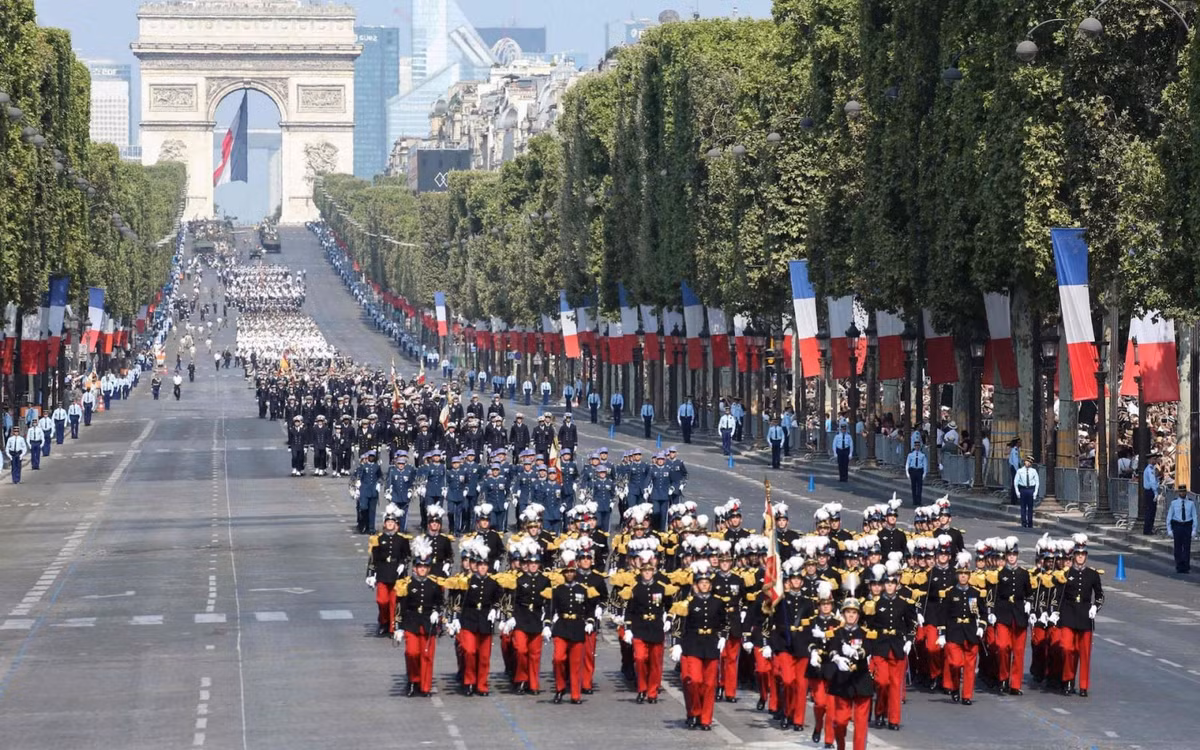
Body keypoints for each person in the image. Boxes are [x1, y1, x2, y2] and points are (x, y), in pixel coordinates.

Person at [672, 559, 728, 731]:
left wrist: (723, 636)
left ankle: (705, 719)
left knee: (709, 685)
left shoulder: (718, 602)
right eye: (701, 582)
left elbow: (724, 622)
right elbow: (680, 625)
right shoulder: (688, 602)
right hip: (693, 645)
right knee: (694, 681)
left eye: (707, 583)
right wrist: (677, 644)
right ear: (696, 585)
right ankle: (693, 712)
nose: (704, 585)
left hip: (711, 645)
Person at [547, 546, 600, 705]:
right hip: (562, 626)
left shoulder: (583, 590)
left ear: (575, 573)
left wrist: (590, 620)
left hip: (577, 626)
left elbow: (591, 608)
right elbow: (551, 608)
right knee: (558, 659)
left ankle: (575, 694)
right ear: (563, 574)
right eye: (566, 572)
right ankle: (560, 688)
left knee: (576, 663)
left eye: (571, 572)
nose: (569, 574)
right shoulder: (558, 590)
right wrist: (547, 625)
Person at [450, 537, 503, 696]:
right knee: (469, 651)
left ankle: (482, 684)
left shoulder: (493, 583)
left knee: (484, 656)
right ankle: (469, 682)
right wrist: (455, 618)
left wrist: (495, 609)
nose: (482, 568)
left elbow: (499, 597)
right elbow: (458, 600)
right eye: (479, 565)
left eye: (485, 565)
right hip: (469, 619)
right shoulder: (467, 580)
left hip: (485, 621)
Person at [393, 537, 444, 698]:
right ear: (414, 568)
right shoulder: (407, 584)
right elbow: (400, 606)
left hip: (428, 623)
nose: (422, 569)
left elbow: (440, 602)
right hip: (411, 623)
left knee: (427, 656)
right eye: (419, 566)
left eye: (425, 566)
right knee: (412, 653)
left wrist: (437, 612)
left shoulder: (434, 584)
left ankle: (425, 686)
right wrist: (398, 627)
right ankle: (413, 680)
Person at [1055, 534, 1104, 697]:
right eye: (1078, 554)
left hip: (1085, 615)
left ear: (1086, 556)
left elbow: (1100, 595)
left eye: (1083, 554)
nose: (1080, 557)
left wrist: (1095, 607)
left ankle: (1083, 685)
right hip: (1068, 614)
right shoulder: (1066, 573)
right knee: (1067, 648)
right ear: (1074, 555)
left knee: (1085, 652)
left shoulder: (1092, 574)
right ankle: (1068, 679)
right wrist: (1056, 613)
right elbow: (1059, 596)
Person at [826, 596, 874, 750]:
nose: (851, 615)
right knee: (840, 721)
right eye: (848, 612)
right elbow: (831, 649)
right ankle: (840, 745)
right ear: (843, 614)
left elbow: (868, 649)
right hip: (843, 682)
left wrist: (855, 653)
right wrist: (837, 658)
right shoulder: (836, 633)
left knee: (861, 725)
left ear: (858, 615)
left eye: (854, 612)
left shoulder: (866, 633)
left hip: (861, 680)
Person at [990, 537, 1032, 696]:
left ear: (1018, 555)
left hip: (1019, 615)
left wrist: (1029, 603)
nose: (1012, 557)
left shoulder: (1024, 573)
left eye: (1014, 554)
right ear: (1006, 556)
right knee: (1002, 647)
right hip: (1003, 613)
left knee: (1019, 651)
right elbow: (993, 595)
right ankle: (1002, 678)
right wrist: (992, 612)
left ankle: (1015, 684)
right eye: (1009, 554)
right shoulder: (1000, 574)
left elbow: (1029, 593)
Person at [366, 505, 410, 637]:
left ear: (396, 524)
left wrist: (403, 563)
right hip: (383, 572)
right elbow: (373, 558)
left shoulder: (402, 539)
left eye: (392, 522)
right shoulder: (378, 539)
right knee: (382, 601)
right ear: (384, 524)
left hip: (397, 574)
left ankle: (392, 628)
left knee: (394, 602)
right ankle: (383, 621)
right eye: (388, 522)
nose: (390, 524)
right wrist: (371, 574)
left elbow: (407, 555)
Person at [1166, 485, 1196, 573]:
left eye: (1184, 491)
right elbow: (1169, 517)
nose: (1182, 493)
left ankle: (1186, 566)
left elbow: (1194, 517)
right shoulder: (1174, 503)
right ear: (1178, 492)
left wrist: (1194, 529)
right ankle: (1179, 565)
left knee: (1186, 547)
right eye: (1181, 491)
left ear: (1186, 492)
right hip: (1177, 525)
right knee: (1178, 547)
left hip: (1187, 526)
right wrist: (1169, 530)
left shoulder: (1191, 503)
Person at [354, 450, 383, 534]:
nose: (371, 458)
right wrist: (358, 482)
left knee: (372, 511)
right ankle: (363, 525)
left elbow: (380, 477)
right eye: (370, 456)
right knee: (363, 508)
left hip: (373, 491)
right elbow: (359, 475)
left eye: (372, 456)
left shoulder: (377, 466)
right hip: (364, 490)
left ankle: (371, 528)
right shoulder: (363, 466)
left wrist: (379, 483)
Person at [1014, 455, 1040, 528]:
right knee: (1023, 507)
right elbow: (1016, 481)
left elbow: (1037, 482)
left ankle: (1030, 522)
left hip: (1030, 489)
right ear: (1024, 462)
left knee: (1030, 507)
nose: (1028, 463)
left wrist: (1035, 492)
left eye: (1030, 462)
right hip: (1023, 489)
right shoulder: (1020, 471)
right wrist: (1017, 491)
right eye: (1027, 461)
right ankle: (1024, 522)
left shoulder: (1033, 471)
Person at [1142, 455, 1160, 535]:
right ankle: (1148, 529)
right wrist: (1155, 492)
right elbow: (1152, 482)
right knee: (1151, 511)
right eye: (1154, 459)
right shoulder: (1150, 470)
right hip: (1150, 491)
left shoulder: (1151, 469)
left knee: (1151, 511)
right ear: (1149, 460)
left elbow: (1155, 480)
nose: (1155, 460)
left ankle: (1148, 529)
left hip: (1149, 491)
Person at [906, 442, 927, 506]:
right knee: (913, 486)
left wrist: (924, 473)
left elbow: (925, 465)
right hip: (913, 470)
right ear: (914, 447)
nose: (917, 447)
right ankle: (914, 500)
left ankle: (919, 500)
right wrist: (907, 472)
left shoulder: (922, 455)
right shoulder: (910, 455)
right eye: (916, 446)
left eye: (918, 446)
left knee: (919, 487)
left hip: (919, 471)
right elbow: (907, 463)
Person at [1008, 439, 1022, 504]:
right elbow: (1016, 462)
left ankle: (1015, 499)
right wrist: (1018, 471)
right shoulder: (1015, 451)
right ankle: (1013, 500)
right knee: (1015, 484)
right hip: (1014, 468)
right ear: (1017, 443)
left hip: (1015, 468)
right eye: (1019, 442)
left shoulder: (1017, 450)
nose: (1021, 443)